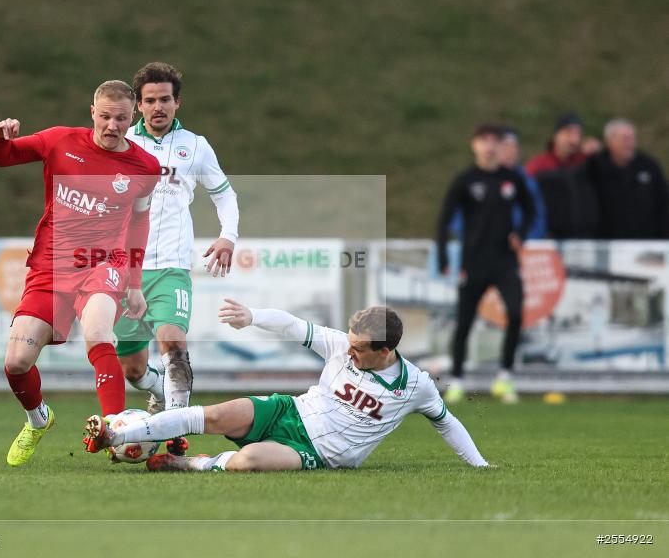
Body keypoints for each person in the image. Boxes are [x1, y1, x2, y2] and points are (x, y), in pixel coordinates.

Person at [83, 301, 490, 471]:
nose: (348, 351)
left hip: (316, 451)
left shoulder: (415, 385)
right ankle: (117, 431)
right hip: (290, 410)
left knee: (248, 463)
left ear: (385, 350)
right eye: (347, 342)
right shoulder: (341, 344)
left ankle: (186, 463)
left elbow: (446, 422)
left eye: (358, 348)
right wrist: (252, 315)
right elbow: (295, 326)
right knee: (216, 415)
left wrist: (480, 466)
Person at [0, 80, 160, 467]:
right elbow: (2, 158)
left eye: (121, 118)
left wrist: (134, 283)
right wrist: (1, 138)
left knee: (99, 331)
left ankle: (116, 428)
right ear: (92, 113)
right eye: (105, 116)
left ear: (132, 118)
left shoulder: (145, 167)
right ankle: (38, 419)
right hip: (50, 267)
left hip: (103, 263)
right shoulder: (59, 141)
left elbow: (139, 222)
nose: (112, 125)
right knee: (16, 362)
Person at [113, 62, 240, 453]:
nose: (158, 107)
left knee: (174, 345)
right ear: (138, 105)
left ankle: (175, 432)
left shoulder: (196, 146)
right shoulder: (119, 144)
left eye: (165, 99)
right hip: (123, 268)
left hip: (170, 266)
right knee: (133, 370)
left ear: (177, 101)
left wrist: (227, 237)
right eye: (149, 100)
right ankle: (157, 393)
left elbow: (224, 194)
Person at [436, 124, 536, 405]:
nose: (489, 146)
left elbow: (531, 210)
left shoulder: (511, 178)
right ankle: (456, 380)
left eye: (494, 141)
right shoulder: (466, 180)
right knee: (465, 321)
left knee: (516, 313)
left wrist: (522, 233)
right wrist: (444, 256)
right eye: (484, 141)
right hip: (474, 262)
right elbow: (444, 218)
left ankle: (504, 377)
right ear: (474, 145)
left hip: (504, 260)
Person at [449, 126, 547, 240]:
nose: (511, 151)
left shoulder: (528, 182)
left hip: (520, 247)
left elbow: (538, 217)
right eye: (506, 146)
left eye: (514, 146)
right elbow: (456, 219)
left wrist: (525, 239)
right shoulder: (473, 179)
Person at [583, 118, 669, 240]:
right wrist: (584, 156)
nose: (630, 143)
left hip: (646, 244)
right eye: (625, 139)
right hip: (607, 243)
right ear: (609, 141)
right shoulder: (595, 166)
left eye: (632, 138)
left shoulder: (649, 166)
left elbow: (663, 203)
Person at [525, 113, 596, 176]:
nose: (574, 140)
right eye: (568, 133)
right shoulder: (539, 165)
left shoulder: (584, 161)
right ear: (556, 135)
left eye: (578, 134)